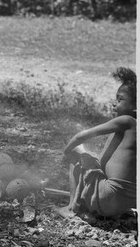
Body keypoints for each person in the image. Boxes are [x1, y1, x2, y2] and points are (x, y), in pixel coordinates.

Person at [58, 67, 136, 219]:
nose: (114, 104)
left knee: (76, 155)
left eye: (120, 100)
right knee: (91, 158)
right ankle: (102, 210)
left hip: (108, 196)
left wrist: (66, 152)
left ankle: (71, 208)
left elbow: (80, 137)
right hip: (127, 202)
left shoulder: (126, 121)